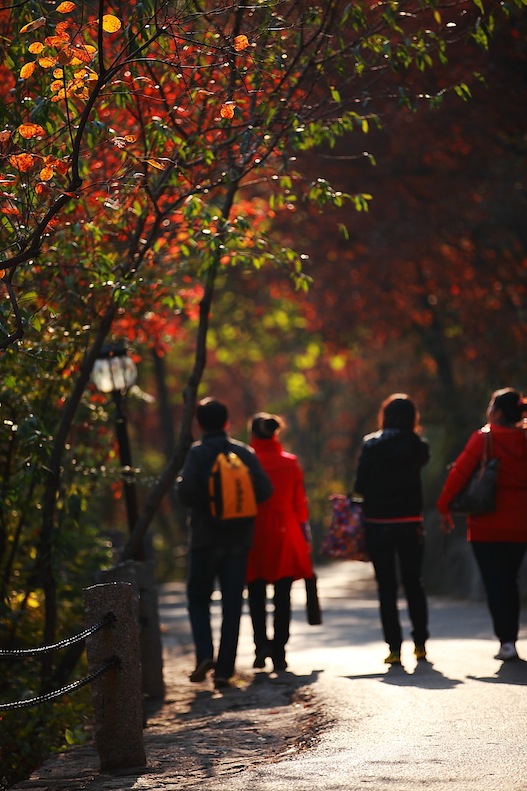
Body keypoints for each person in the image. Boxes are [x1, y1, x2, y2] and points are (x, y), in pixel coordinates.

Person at [176, 397, 273, 688]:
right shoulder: (242, 452)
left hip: (205, 538)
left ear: (199, 424)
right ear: (227, 423)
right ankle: (224, 670)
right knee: (232, 603)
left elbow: (185, 493)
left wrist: (205, 506)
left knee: (198, 598)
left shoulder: (197, 453)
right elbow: (266, 489)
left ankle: (205, 653)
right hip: (239, 540)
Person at [437, 387, 527, 661]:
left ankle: (507, 641)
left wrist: (444, 506)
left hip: (486, 525)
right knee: (510, 580)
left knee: (495, 583)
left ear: (497, 412)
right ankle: (510, 638)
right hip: (521, 524)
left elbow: (461, 473)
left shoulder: (484, 439)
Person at [353, 393, 430, 665]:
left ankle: (394, 649)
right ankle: (420, 644)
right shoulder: (419, 447)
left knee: (386, 588)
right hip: (410, 523)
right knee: (414, 584)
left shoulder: (371, 445)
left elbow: (360, 486)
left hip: (378, 525)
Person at [245, 412, 314, 672]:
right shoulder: (290, 463)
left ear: (252, 434)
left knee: (255, 592)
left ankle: (260, 645)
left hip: (253, 531)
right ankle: (280, 651)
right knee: (283, 593)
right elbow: (299, 503)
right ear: (276, 434)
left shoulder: (246, 462)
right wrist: (305, 534)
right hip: (285, 532)